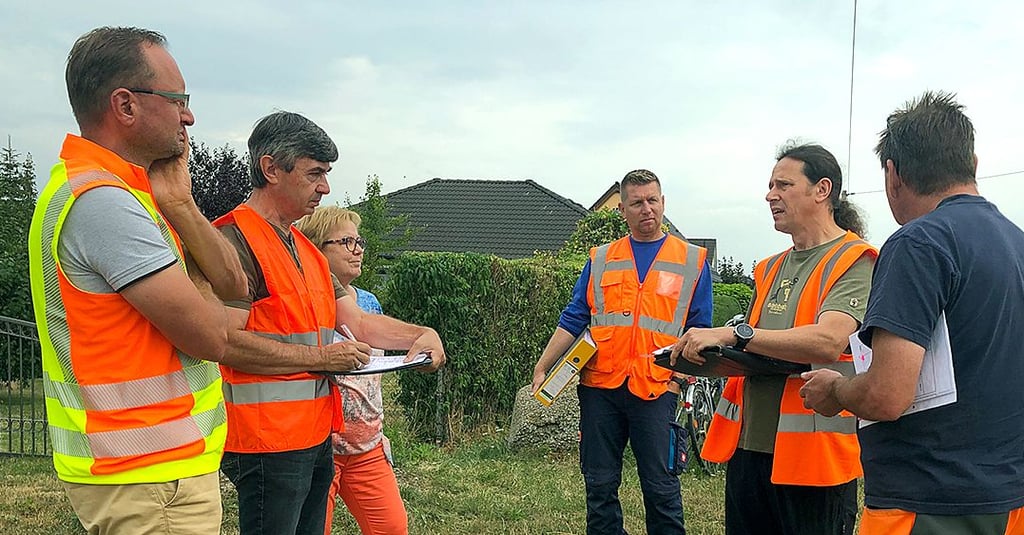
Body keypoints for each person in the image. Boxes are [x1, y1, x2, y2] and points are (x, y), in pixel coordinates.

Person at [27, 26, 248, 534]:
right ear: (125, 105)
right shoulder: (105, 204)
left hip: (150, 470)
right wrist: (210, 293)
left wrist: (181, 204)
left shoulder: (126, 193)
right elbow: (212, 336)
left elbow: (236, 286)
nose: (189, 117)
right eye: (178, 100)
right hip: (150, 476)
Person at [801, 92, 1024, 534]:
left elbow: (887, 395)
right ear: (973, 164)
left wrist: (836, 390)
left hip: (926, 501)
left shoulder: (918, 244)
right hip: (1008, 498)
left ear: (893, 175)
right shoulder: (1015, 243)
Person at [215, 111, 445, 535]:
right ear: (270, 169)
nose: (325, 187)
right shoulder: (233, 241)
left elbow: (358, 322)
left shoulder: (306, 249)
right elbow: (224, 342)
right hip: (266, 442)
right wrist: (323, 358)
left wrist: (421, 335)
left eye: (326, 174)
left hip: (316, 436)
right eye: (315, 173)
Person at [673, 143, 876, 535]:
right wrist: (711, 356)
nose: (770, 195)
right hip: (749, 450)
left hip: (814, 460)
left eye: (783, 185)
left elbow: (828, 341)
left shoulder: (855, 259)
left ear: (822, 190)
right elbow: (758, 350)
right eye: (770, 186)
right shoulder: (768, 269)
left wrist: (734, 334)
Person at [531, 169, 712, 535]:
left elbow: (700, 332)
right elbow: (574, 317)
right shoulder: (601, 258)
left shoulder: (692, 261)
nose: (647, 209)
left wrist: (678, 381)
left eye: (653, 200)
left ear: (663, 202)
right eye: (637, 203)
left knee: (661, 489)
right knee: (599, 486)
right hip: (600, 388)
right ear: (622, 209)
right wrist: (543, 366)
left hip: (657, 389)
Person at [295, 206, 408, 535]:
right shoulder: (303, 306)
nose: (358, 250)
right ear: (316, 249)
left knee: (392, 528)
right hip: (320, 449)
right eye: (346, 242)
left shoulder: (370, 303)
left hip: (367, 447)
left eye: (359, 241)